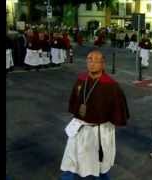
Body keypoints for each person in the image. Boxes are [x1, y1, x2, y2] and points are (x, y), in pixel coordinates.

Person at [60, 50, 129, 180]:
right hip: (80, 127)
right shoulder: (81, 79)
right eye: (89, 59)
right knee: (72, 159)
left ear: (103, 64)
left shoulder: (111, 85)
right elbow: (74, 100)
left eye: (96, 60)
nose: (92, 63)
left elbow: (119, 110)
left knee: (99, 164)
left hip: (100, 131)